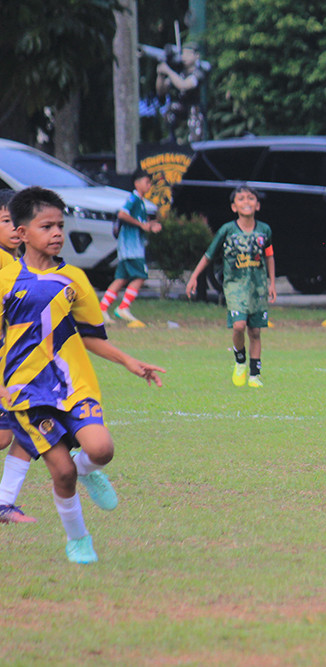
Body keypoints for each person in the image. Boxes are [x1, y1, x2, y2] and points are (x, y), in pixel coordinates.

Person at [0, 187, 164, 562]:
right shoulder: (5, 280)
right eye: (47, 227)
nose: (57, 233)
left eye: (60, 225)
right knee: (62, 473)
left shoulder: (74, 279)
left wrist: (129, 361)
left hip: (74, 385)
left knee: (101, 449)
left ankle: (87, 471)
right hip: (27, 393)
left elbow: (91, 335)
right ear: (23, 233)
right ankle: (78, 539)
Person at [185, 185, 276, 388]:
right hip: (235, 286)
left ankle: (254, 376)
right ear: (234, 207)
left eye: (250, 198)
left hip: (258, 287)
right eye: (241, 199)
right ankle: (240, 360)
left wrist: (272, 283)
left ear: (258, 205)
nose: (246, 202)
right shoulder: (227, 230)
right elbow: (208, 255)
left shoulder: (264, 230)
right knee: (239, 326)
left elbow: (269, 256)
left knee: (255, 332)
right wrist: (194, 277)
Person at [0, 189, 35, 524]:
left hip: (15, 365)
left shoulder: (18, 263)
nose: (14, 228)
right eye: (5, 220)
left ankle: (4, 503)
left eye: (18, 220)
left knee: (15, 432)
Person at [99, 168, 161, 327]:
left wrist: (150, 226)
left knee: (121, 278)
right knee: (140, 276)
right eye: (147, 182)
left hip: (127, 248)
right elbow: (122, 214)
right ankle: (123, 307)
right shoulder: (134, 199)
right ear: (137, 183)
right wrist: (141, 224)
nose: (149, 186)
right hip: (132, 249)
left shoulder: (140, 202)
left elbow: (139, 223)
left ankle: (102, 308)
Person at [156, 42, 207, 143]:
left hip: (193, 109)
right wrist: (160, 75)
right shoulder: (179, 72)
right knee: (171, 109)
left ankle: (195, 141)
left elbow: (183, 85)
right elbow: (161, 91)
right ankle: (171, 137)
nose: (185, 57)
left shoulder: (199, 72)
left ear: (196, 56)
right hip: (181, 108)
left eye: (188, 53)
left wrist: (169, 71)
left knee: (195, 113)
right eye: (183, 53)